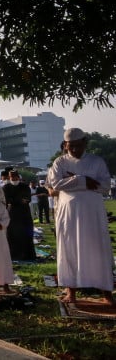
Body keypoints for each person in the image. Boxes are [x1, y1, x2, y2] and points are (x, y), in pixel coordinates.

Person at [48, 128, 114, 304]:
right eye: (71, 147)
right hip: (68, 213)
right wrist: (82, 180)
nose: (75, 150)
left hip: (92, 213)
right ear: (65, 146)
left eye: (78, 146)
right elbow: (56, 185)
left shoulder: (96, 161)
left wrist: (71, 181)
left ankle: (106, 294)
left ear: (85, 143)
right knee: (69, 248)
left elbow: (105, 186)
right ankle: (71, 292)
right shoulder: (60, 163)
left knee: (97, 249)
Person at [2, 170, 36, 261]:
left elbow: (27, 199)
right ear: (9, 177)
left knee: (26, 234)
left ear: (18, 177)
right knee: (13, 234)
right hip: (13, 214)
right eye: (11, 177)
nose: (13, 178)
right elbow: (7, 200)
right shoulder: (6, 187)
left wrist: (15, 200)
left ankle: (27, 255)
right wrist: (19, 200)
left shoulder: (25, 186)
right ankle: (14, 255)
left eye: (15, 176)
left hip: (25, 213)